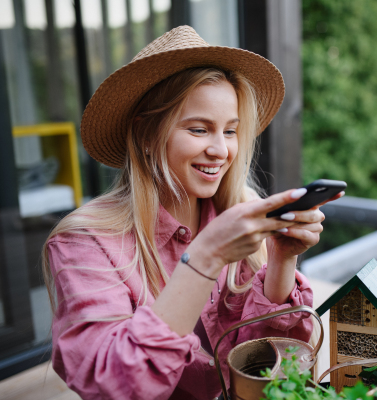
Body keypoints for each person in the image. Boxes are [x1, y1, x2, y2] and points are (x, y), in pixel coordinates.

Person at [42, 26, 341, 400]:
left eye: (230, 131)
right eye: (199, 129)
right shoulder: (84, 244)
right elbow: (116, 386)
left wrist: (281, 257)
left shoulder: (239, 213)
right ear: (148, 134)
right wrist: (206, 255)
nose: (220, 150)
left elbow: (275, 365)